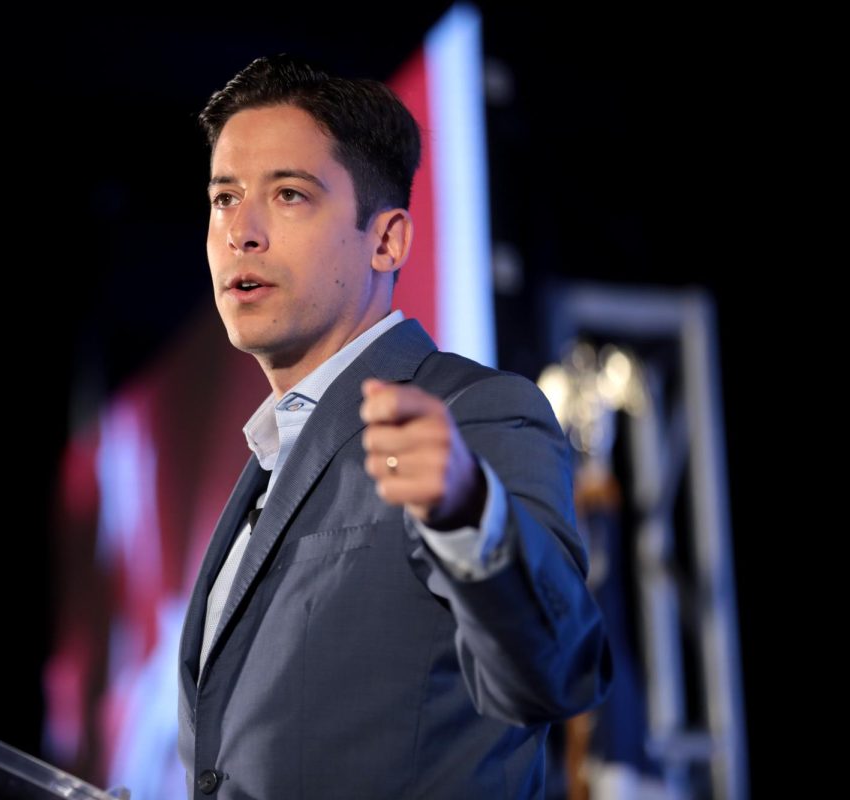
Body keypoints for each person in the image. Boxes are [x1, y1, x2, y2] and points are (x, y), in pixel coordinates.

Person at [177, 53, 611, 799]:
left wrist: (469, 512)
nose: (240, 232)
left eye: (287, 195)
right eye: (223, 198)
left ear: (387, 242)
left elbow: (559, 668)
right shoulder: (268, 461)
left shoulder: (475, 414)